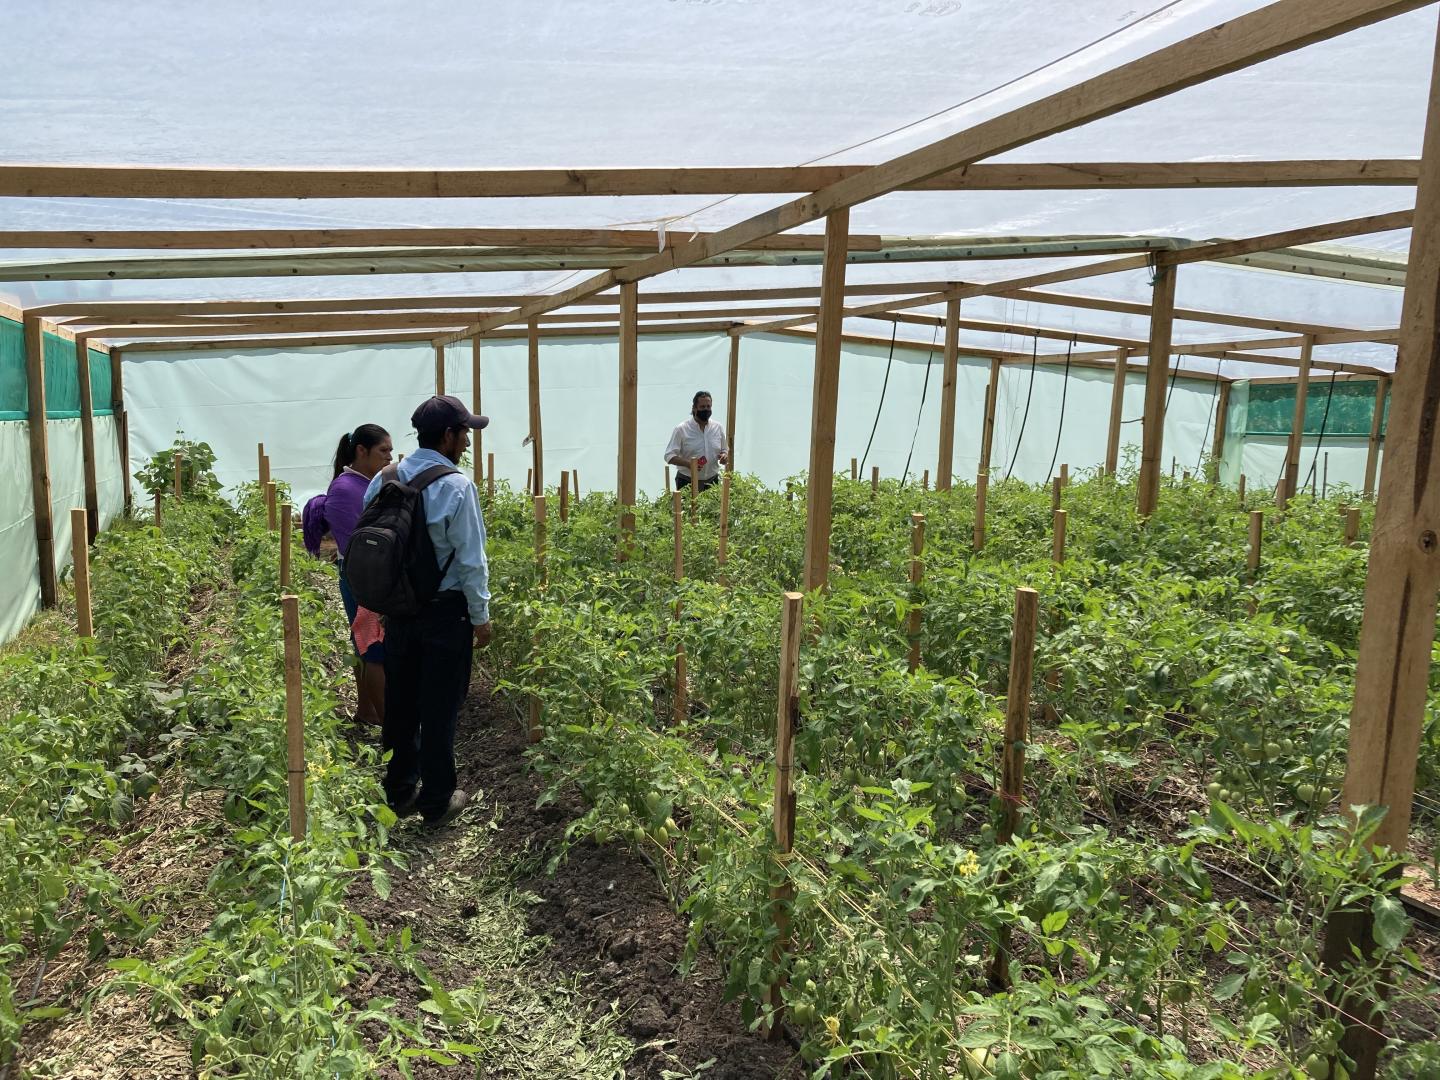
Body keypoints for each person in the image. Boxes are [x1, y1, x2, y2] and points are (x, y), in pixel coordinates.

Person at [363, 395, 491, 828]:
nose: (468, 442)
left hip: (399, 613)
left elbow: (373, 544)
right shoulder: (457, 486)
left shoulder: (384, 478)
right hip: (445, 613)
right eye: (465, 433)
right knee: (439, 709)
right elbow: (471, 560)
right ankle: (437, 802)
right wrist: (481, 616)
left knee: (401, 705)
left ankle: (398, 793)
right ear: (448, 436)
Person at [302, 424, 394, 726]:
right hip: (363, 578)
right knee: (374, 648)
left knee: (365, 644)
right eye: (383, 450)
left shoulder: (365, 484)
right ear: (361, 451)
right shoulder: (346, 489)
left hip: (365, 575)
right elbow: (364, 543)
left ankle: (367, 712)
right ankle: (390, 727)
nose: (389, 457)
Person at [665, 390, 728, 491]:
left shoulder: (718, 427)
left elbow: (724, 449)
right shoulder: (682, 429)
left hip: (712, 481)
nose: (706, 409)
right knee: (688, 507)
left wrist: (724, 455)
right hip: (687, 481)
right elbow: (669, 456)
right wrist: (689, 464)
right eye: (702, 407)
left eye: (708, 406)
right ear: (694, 408)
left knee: (712, 507)